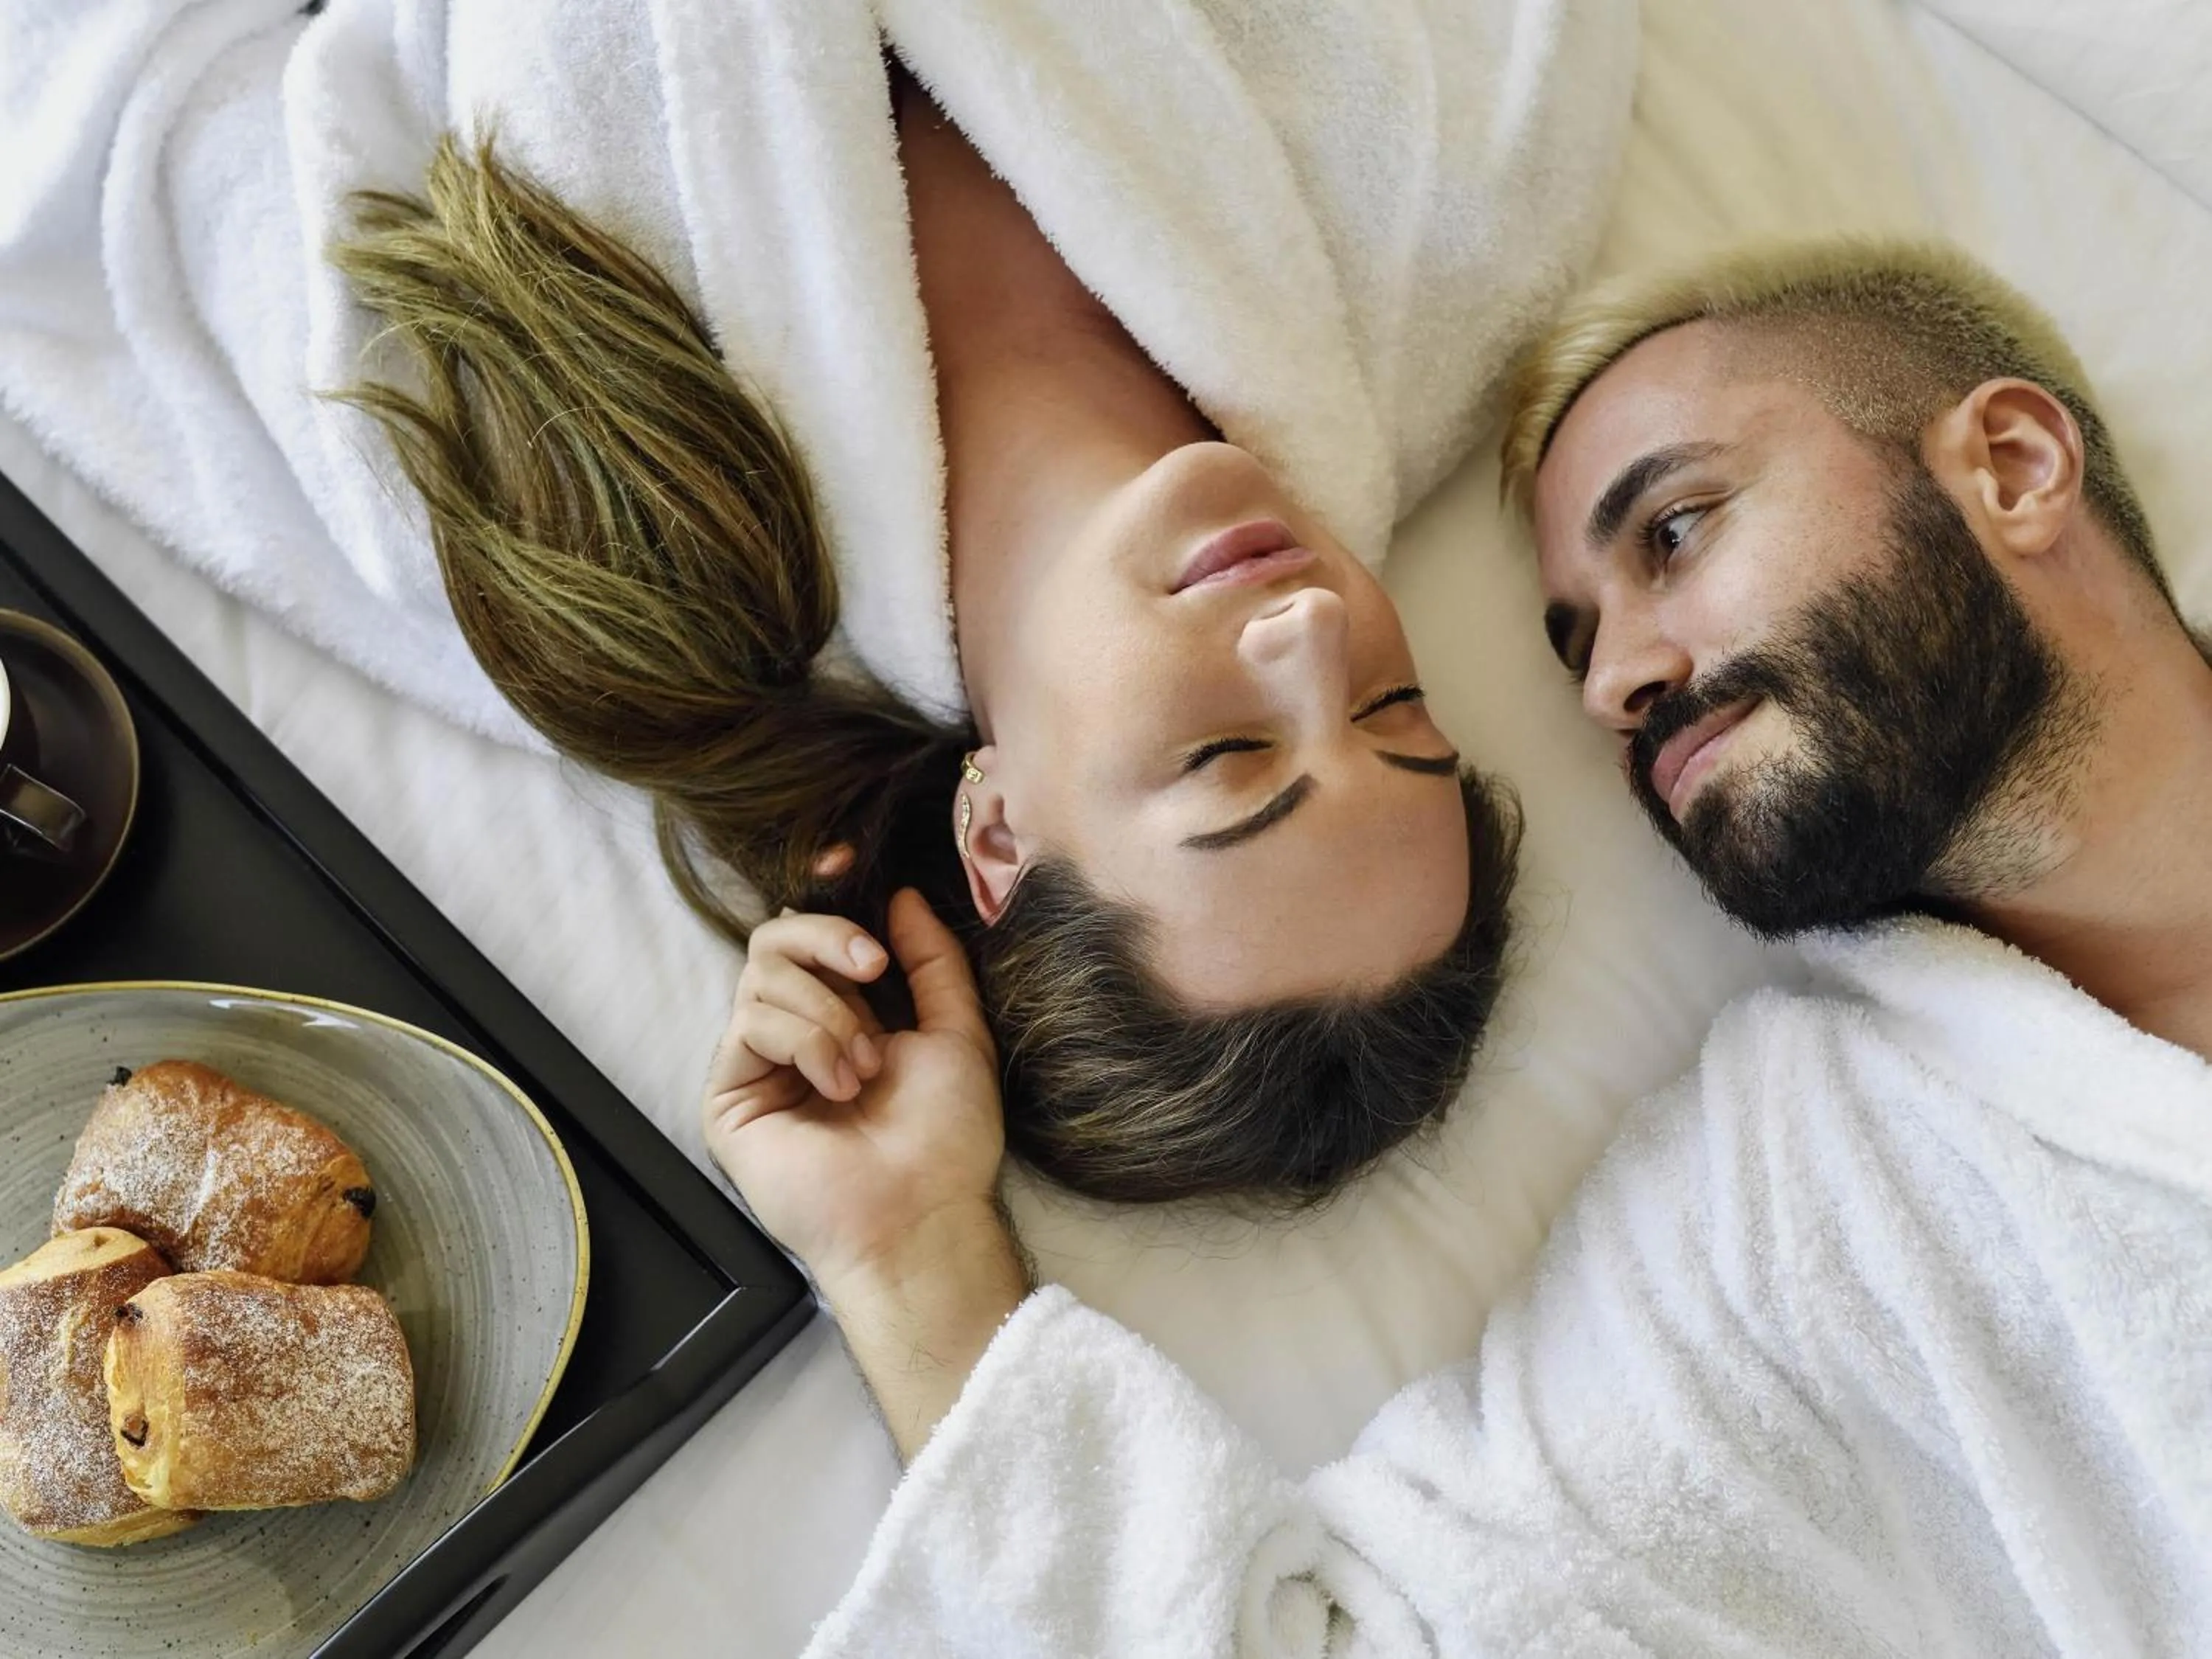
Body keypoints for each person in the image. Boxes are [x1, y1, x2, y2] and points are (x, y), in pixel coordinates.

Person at [714, 237, 2212, 1655]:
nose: (1614, 687)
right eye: (1577, 643)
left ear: (2012, 467)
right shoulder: (1814, 1217)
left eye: (1676, 529)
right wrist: (912, 1261)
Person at [0, 0, 1632, 1204]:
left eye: (1229, 759)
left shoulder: (623, 586)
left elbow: (100, 147)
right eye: (1395, 708)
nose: (1310, 634)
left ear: (997, 833)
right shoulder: (1456, 239)